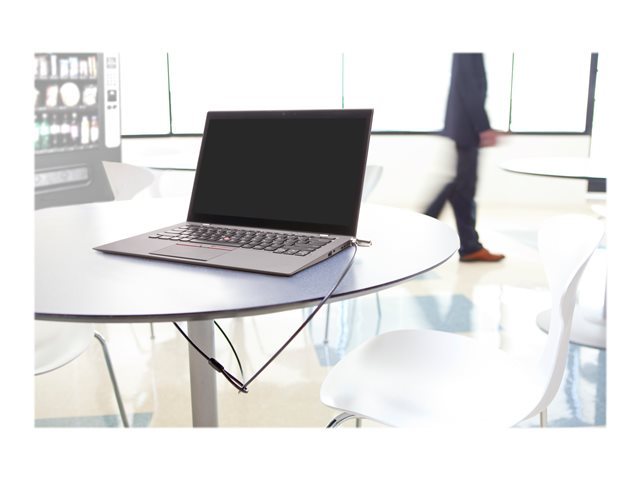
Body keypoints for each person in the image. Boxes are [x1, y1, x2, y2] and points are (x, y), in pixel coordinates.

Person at [425, 53, 505, 262]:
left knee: (461, 187)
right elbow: (469, 87)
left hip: (464, 125)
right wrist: (483, 127)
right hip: (467, 127)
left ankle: (468, 244)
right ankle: (426, 229)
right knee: (463, 187)